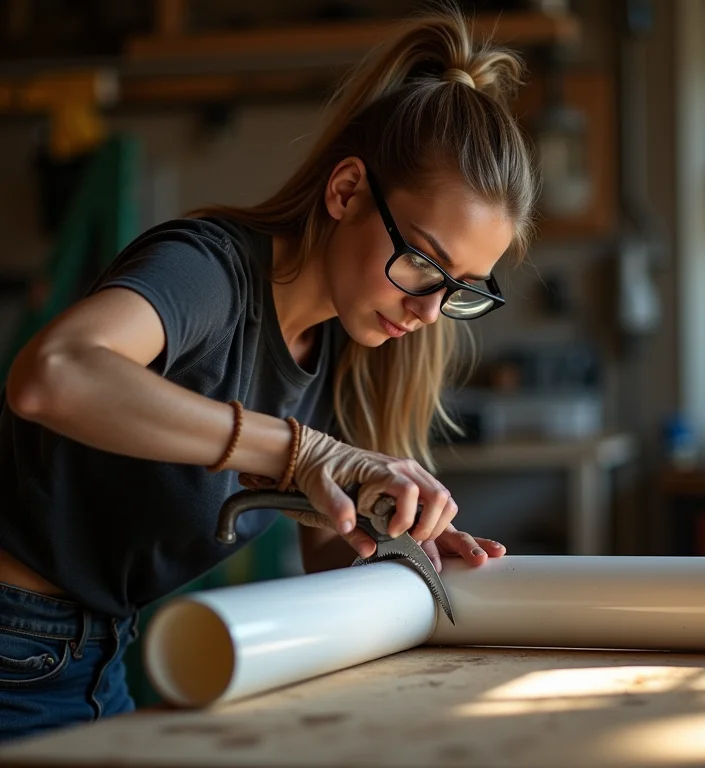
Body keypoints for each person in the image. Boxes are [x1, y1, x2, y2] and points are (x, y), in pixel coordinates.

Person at [0, 3, 536, 742]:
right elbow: (51, 376)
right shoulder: (210, 271)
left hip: (96, 653)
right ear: (346, 192)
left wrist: (390, 537)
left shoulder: (350, 344)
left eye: (463, 288)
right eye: (423, 262)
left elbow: (328, 557)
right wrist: (300, 450)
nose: (431, 310)